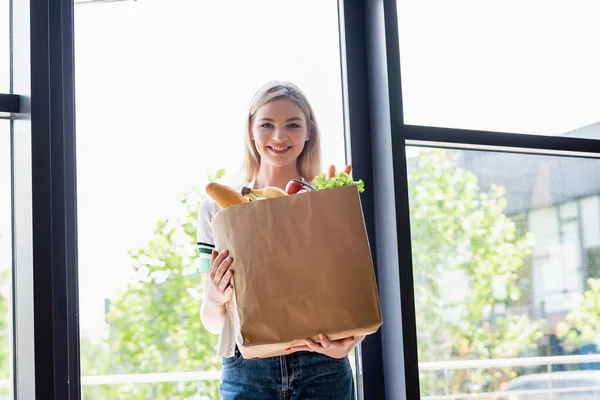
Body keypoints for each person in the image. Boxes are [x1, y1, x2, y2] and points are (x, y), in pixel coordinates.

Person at [197, 81, 362, 399]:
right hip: (247, 369)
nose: (279, 137)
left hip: (323, 366)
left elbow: (355, 293)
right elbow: (212, 322)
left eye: (293, 125)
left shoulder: (331, 201)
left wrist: (349, 342)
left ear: (308, 132)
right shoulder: (217, 208)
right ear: (250, 131)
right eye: (267, 125)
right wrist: (216, 296)